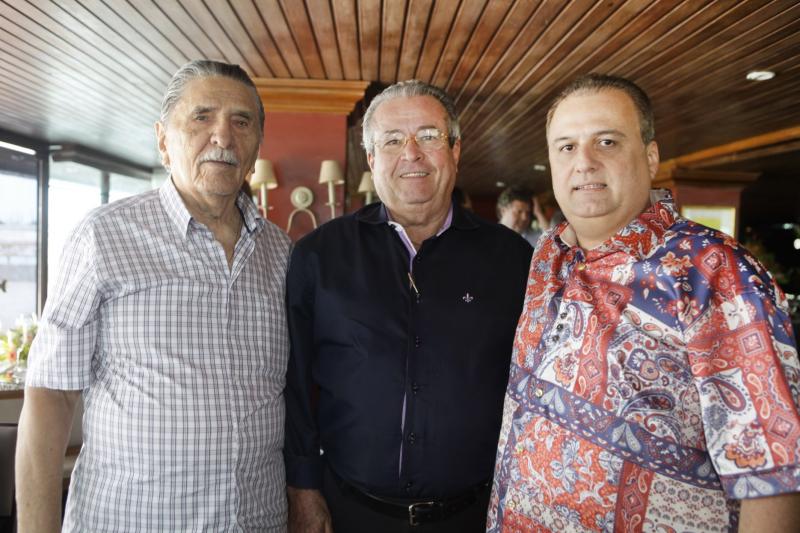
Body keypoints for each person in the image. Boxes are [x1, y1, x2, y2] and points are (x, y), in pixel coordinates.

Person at [488, 73, 800, 532]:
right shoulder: (547, 257)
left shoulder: (714, 270)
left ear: (650, 156)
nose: (584, 162)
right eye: (567, 147)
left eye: (607, 142)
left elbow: (774, 467)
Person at [15, 60, 292, 531]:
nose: (223, 136)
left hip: (259, 521)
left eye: (242, 122)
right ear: (164, 140)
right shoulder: (104, 236)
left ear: (256, 148)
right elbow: (51, 395)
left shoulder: (282, 253)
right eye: (202, 117)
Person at [284, 80, 532, 532]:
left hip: (474, 516)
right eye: (393, 140)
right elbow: (296, 384)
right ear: (372, 158)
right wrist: (302, 489)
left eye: (429, 136)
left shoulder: (513, 259)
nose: (411, 153)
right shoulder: (319, 255)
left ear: (455, 150)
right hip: (349, 514)